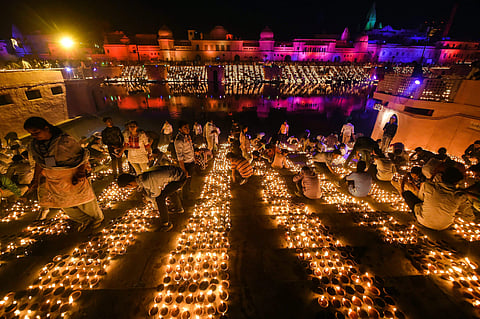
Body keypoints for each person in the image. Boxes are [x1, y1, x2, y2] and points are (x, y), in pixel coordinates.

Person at [23, 117, 104, 231]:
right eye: (31, 133)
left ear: (46, 128)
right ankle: (85, 220)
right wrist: (35, 180)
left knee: (84, 201)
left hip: (73, 175)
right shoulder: (36, 145)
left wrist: (81, 172)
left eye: (36, 132)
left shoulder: (65, 141)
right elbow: (39, 163)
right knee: (63, 204)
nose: (34, 136)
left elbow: (83, 156)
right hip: (54, 179)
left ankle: (97, 219)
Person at [402, 166, 475, 231]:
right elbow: (469, 217)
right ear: (457, 181)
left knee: (407, 194)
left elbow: (421, 199)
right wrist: (453, 213)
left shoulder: (428, 186)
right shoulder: (460, 195)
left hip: (423, 220)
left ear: (442, 177)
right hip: (444, 226)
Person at [117, 166, 186, 232]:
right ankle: (179, 208)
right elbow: (147, 188)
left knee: (160, 198)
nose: (130, 189)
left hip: (180, 177)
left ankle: (166, 224)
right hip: (176, 172)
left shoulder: (147, 180)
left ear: (129, 184)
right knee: (169, 191)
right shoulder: (142, 177)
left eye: (127, 188)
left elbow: (156, 195)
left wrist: (148, 199)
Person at [174, 121, 195, 198]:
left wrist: (194, 158)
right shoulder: (179, 140)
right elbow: (180, 156)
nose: (188, 129)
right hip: (186, 163)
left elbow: (190, 148)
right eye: (185, 128)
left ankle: (188, 192)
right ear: (180, 129)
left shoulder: (187, 136)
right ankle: (185, 197)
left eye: (188, 127)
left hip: (191, 161)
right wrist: (183, 169)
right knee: (185, 181)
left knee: (189, 180)